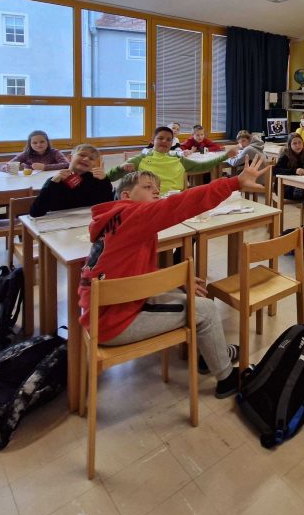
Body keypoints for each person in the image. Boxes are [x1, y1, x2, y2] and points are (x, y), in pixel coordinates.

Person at [79, 156, 271, 398]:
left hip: (107, 308)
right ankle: (227, 379)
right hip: (115, 322)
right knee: (206, 310)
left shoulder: (113, 220)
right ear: (126, 195)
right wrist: (234, 183)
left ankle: (212, 355)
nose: (156, 191)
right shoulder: (134, 215)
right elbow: (181, 203)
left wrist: (176, 283)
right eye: (147, 187)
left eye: (157, 188)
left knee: (193, 295)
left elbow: (130, 274)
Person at [110, 126, 234, 192]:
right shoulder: (140, 159)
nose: (165, 141)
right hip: (151, 204)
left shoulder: (178, 159)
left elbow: (202, 166)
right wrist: (120, 168)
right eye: (160, 138)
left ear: (172, 143)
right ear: (152, 140)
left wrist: (225, 156)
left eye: (169, 139)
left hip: (175, 202)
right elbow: (110, 178)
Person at [30, 144, 113, 217]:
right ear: (70, 158)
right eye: (82, 155)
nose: (86, 159)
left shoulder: (97, 181)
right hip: (60, 223)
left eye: (91, 159)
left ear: (94, 164)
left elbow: (109, 207)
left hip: (86, 222)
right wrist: (53, 183)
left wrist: (105, 181)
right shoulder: (56, 180)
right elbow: (36, 212)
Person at [273, 133, 304, 203]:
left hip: (299, 185)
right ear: (290, 145)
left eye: (300, 142)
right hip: (284, 188)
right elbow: (275, 170)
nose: (298, 145)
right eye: (294, 143)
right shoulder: (285, 156)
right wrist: (295, 171)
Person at [1, 130, 69, 172]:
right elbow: (4, 166)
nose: (39, 145)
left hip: (50, 180)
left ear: (47, 142)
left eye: (42, 142)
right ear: (30, 144)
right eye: (34, 143)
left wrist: (44, 167)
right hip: (31, 181)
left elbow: (66, 165)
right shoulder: (26, 154)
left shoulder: (55, 152)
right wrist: (7, 168)